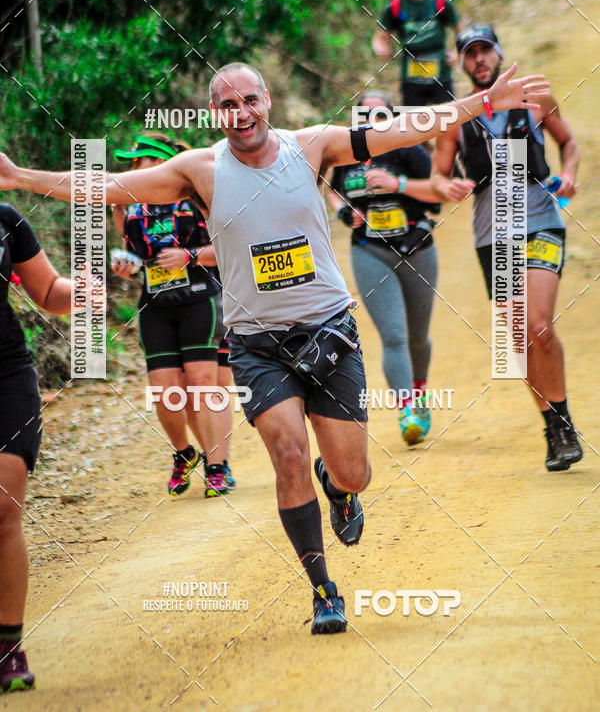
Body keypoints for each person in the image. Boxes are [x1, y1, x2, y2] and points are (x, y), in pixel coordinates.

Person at [0, 60, 550, 633]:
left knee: (354, 471)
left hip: (327, 330)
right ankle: (323, 589)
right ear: (215, 113)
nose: (240, 115)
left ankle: (337, 487)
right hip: (257, 345)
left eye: (249, 102)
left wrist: (481, 102)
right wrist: (19, 177)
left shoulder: (312, 147)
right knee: (287, 453)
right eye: (227, 106)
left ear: (268, 101)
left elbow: (407, 127)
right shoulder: (200, 169)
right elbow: (107, 186)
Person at [431, 24, 583, 472]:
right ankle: (552, 426)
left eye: (485, 51)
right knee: (516, 340)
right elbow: (439, 173)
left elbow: (568, 142)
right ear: (461, 62)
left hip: (540, 221)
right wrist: (446, 185)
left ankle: (563, 420)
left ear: (498, 54)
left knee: (538, 325)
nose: (479, 60)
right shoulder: (458, 119)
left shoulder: (536, 97)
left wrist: (569, 175)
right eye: (470, 53)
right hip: (493, 234)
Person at [110, 133, 235, 498]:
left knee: (202, 384)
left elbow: (231, 245)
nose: (135, 168)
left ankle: (217, 467)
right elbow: (135, 256)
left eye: (144, 160)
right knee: (165, 393)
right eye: (133, 162)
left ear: (164, 163)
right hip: (156, 306)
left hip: (201, 298)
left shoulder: (195, 195)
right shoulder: (128, 204)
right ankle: (184, 453)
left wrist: (190, 256)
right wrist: (127, 268)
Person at [327, 90, 441, 445]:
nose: (374, 122)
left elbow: (438, 192)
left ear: (392, 118)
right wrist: (345, 211)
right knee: (393, 336)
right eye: (366, 116)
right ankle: (406, 409)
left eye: (381, 115)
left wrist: (399, 184)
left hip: (416, 247)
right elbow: (330, 189)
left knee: (417, 338)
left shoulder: (409, 149)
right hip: (370, 250)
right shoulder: (348, 154)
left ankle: (419, 393)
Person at [0, 203, 79, 692]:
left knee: (4, 509)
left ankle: (9, 647)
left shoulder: (7, 219)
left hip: (6, 372)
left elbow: (49, 292)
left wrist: (87, 289)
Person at [372, 0, 462, 105]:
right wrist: (380, 48)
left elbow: (460, 31)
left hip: (441, 76)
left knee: (448, 120)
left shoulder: (440, 2)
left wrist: (458, 51)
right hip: (411, 79)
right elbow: (380, 37)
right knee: (413, 124)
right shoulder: (395, 7)